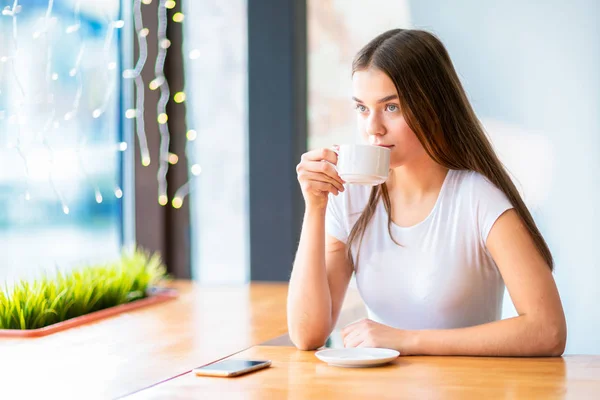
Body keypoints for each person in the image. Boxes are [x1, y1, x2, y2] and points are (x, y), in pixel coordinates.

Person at [287, 29, 566, 356]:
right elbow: (307, 335)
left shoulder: (477, 198)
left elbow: (548, 330)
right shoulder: (352, 196)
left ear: (432, 108)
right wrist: (315, 207)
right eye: (363, 108)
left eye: (391, 108)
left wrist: (408, 341)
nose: (373, 127)